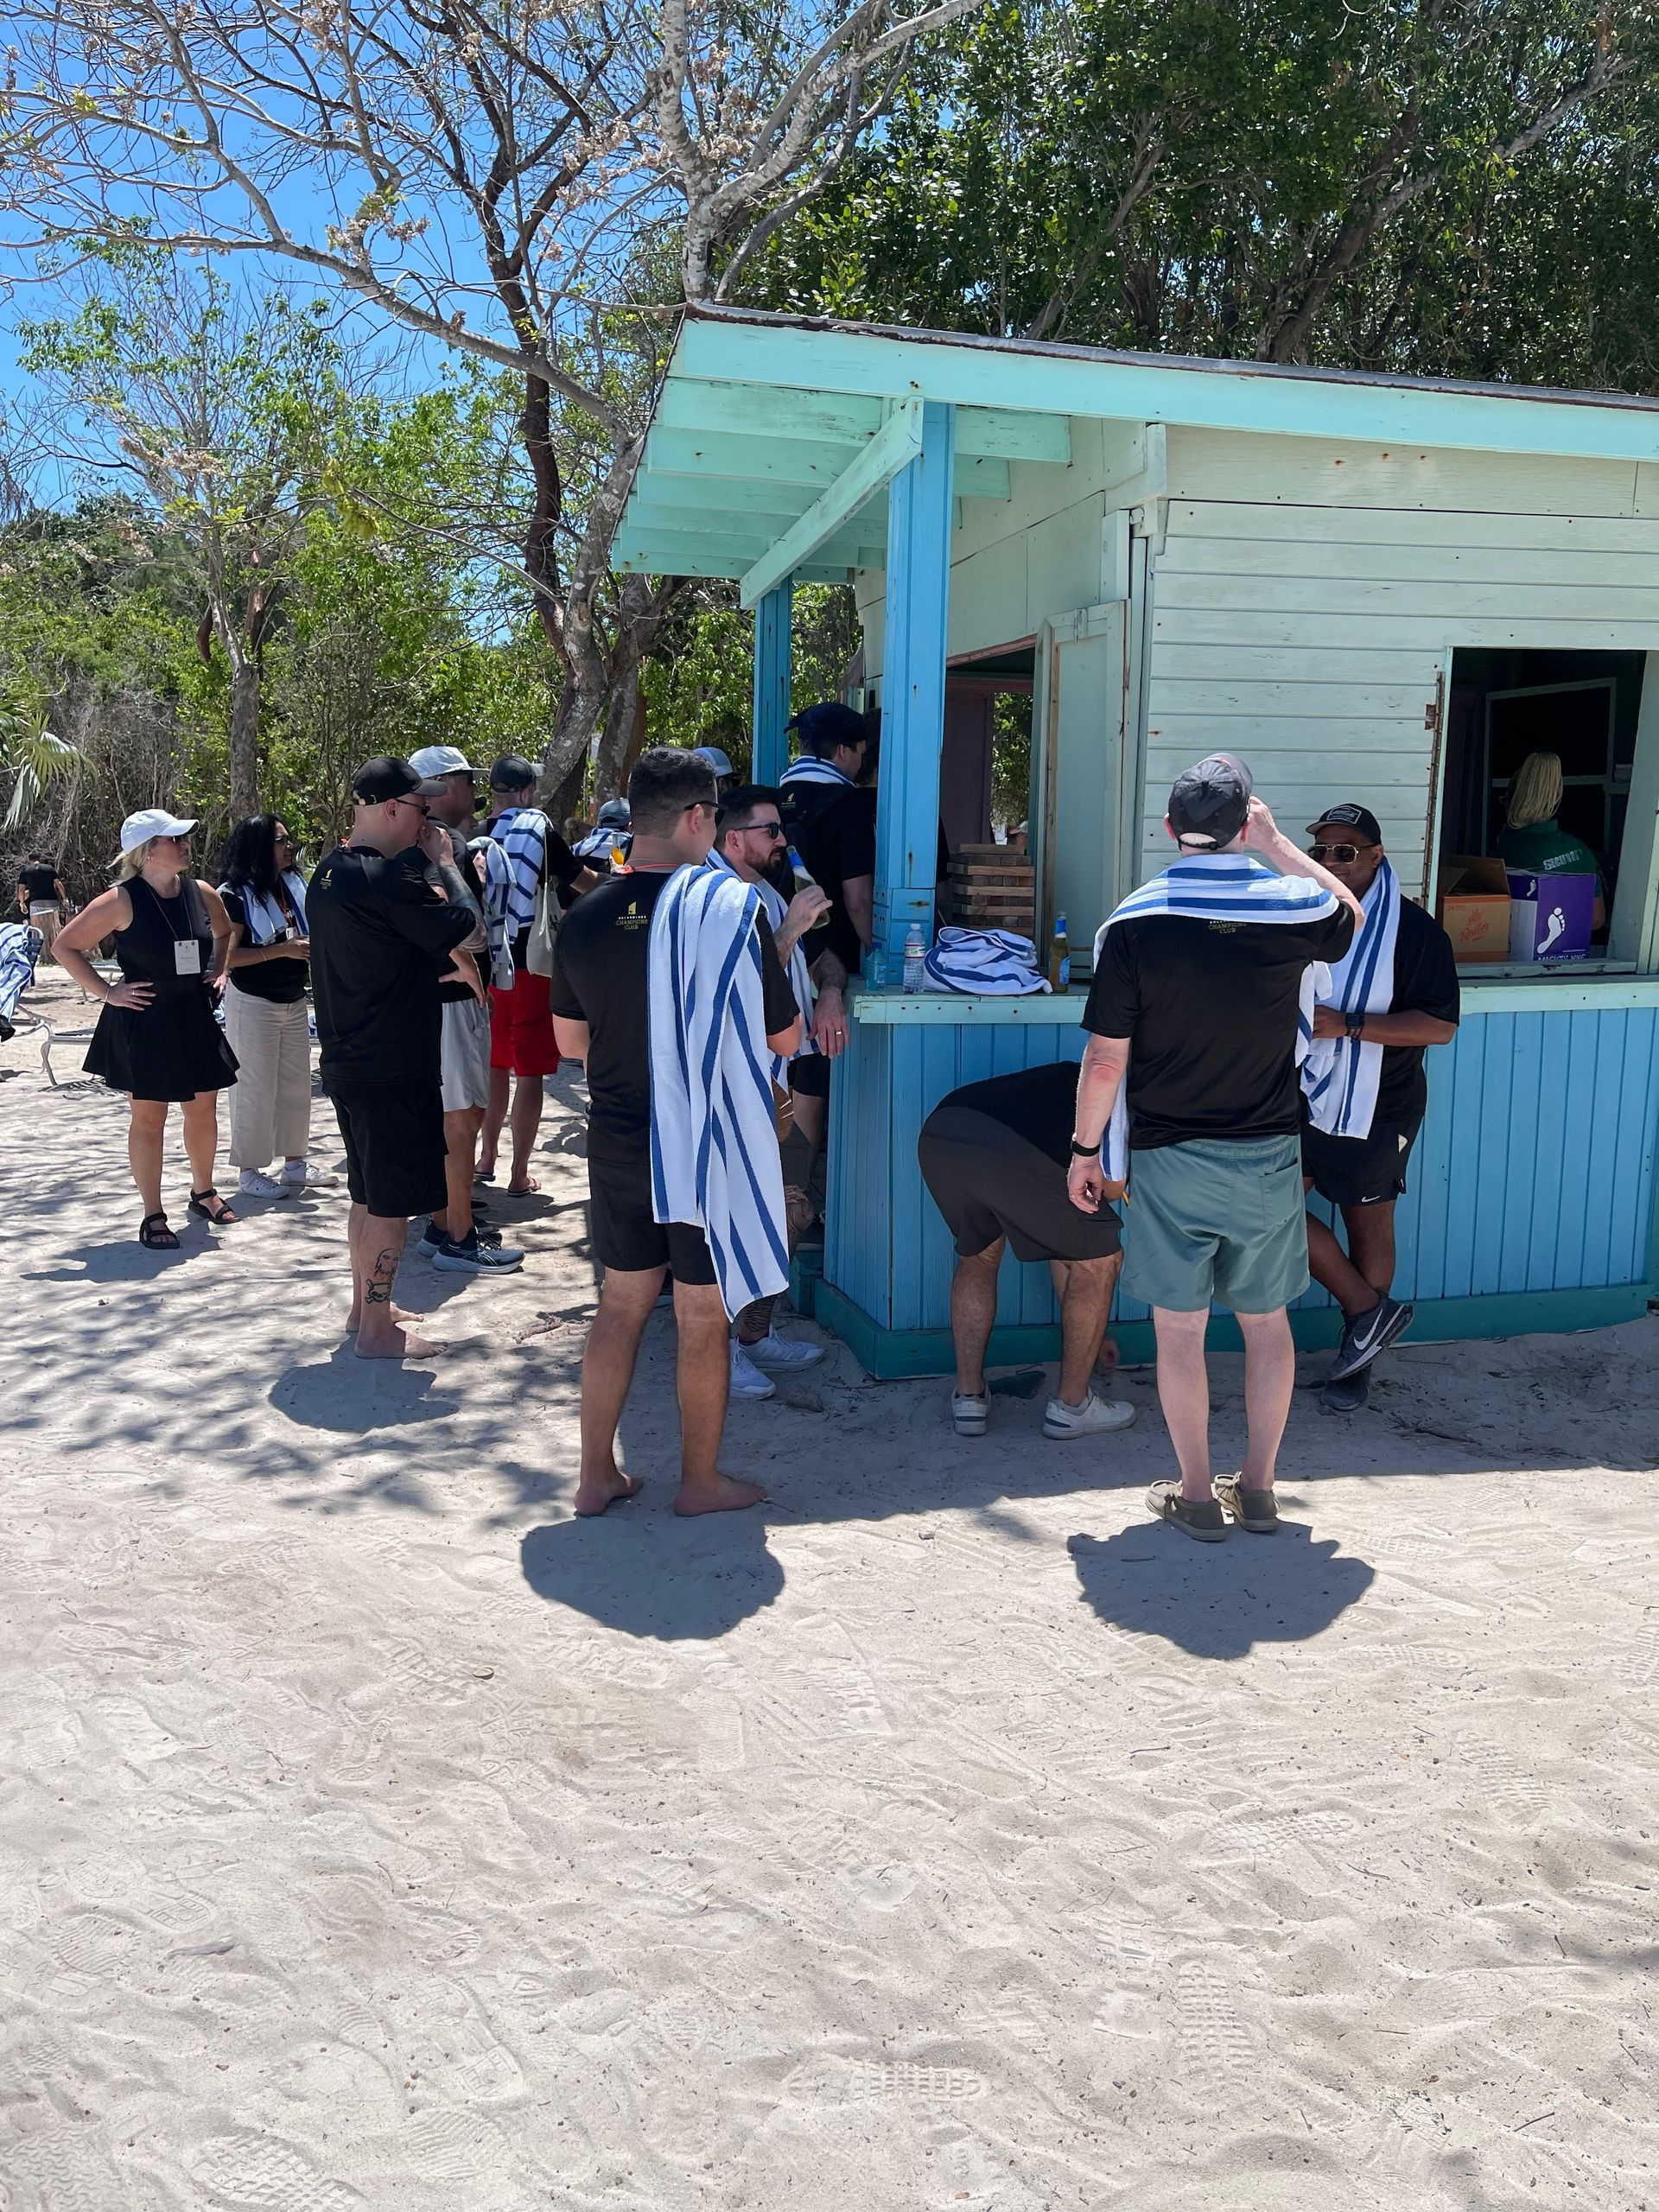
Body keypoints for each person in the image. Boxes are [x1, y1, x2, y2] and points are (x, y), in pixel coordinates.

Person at [1069, 756, 1363, 1541]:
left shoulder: (1134, 923)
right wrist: (1276, 846)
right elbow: (1350, 913)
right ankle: (1260, 1490)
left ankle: (1198, 1497)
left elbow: (1105, 1060)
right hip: (1268, 1154)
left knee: (1180, 1330)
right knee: (1268, 1327)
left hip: (1168, 1160)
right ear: (1243, 826)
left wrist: (1083, 1150)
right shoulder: (1290, 908)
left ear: (1169, 831)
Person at [550, 747, 802, 1518]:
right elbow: (785, 1041)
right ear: (697, 818)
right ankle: (700, 1482)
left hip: (622, 1137)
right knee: (701, 1314)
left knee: (620, 1306)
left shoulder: (587, 913)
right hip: (705, 1148)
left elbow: (568, 1044)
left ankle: (597, 1476)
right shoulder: (731, 911)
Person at [308, 758, 481, 1357]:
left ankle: (366, 1311)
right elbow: (465, 926)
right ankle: (378, 1333)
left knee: (365, 1193)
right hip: (391, 1066)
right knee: (389, 1207)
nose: (427, 820)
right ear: (390, 809)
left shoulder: (330, 872)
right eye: (419, 809)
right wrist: (448, 865)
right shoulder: (387, 879)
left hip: (352, 1060)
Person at [1297, 804, 1459, 1411]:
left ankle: (1356, 1359)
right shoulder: (1304, 916)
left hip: (1380, 1105)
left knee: (1369, 1224)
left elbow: (1440, 1027)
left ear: (1376, 856)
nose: (1331, 862)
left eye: (1345, 851)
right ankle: (1369, 1314)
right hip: (1301, 1093)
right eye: (1321, 852)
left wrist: (1349, 1026)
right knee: (1270, 1213)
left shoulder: (1415, 932)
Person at [710, 783, 847, 1395]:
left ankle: (754, 1334)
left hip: (777, 1081)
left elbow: (809, 964)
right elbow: (734, 991)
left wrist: (828, 988)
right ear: (732, 836)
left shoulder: (764, 889)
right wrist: (790, 928)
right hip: (734, 1088)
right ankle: (717, 1351)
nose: (783, 840)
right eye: (770, 831)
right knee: (729, 1220)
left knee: (787, 1207)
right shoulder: (715, 897)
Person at [53, 809, 240, 1249]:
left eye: (182, 837)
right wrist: (107, 992)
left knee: (203, 1110)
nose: (184, 843)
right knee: (149, 1118)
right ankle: (153, 1214)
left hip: (193, 1014)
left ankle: (204, 1191)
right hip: (146, 1019)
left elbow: (225, 931)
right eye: (173, 839)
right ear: (147, 850)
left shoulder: (202, 891)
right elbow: (64, 946)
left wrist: (220, 972)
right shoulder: (120, 899)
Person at [919, 1062, 1135, 1440]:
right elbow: (1111, 1193)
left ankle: (969, 1398)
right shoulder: (1119, 1101)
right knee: (1101, 1260)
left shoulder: (1069, 1081)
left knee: (979, 1255)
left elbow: (1064, 1245)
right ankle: (1072, 1406)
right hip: (1006, 1146)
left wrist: (1095, 1337)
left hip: (943, 1131)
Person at [405, 745, 524, 1275]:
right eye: (466, 780)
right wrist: (465, 964)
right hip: (451, 1002)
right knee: (460, 1118)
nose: (475, 791)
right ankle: (457, 1235)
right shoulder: (440, 844)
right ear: (442, 786)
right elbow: (451, 919)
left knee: (455, 1114)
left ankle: (444, 1221)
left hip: (439, 1000)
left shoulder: (422, 841)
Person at [479, 753, 597, 1191]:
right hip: (530, 965)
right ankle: (518, 1172)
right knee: (529, 1072)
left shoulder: (480, 833)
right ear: (527, 792)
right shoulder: (538, 829)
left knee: (494, 1067)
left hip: (489, 967)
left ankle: (486, 1158)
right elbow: (580, 880)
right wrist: (617, 883)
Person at [218, 812, 325, 1198]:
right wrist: (281, 950)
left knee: (296, 1086)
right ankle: (249, 1171)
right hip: (253, 1002)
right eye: (281, 841)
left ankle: (295, 1163)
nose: (289, 846)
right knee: (254, 1087)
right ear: (260, 848)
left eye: (288, 838)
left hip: (294, 999)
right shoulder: (233, 894)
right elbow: (228, 958)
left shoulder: (292, 885)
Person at [779, 701, 875, 979]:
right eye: (861, 753)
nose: (860, 763)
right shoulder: (850, 806)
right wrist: (880, 954)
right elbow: (858, 899)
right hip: (834, 961)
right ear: (844, 751)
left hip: (783, 950)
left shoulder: (775, 798)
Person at [1497, 751, 1606, 927]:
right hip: (1574, 949)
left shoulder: (1511, 849)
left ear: (1514, 799)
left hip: (1522, 950)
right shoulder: (1581, 850)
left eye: (1504, 799)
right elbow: (1597, 919)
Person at [16, 854, 67, 960]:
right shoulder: (49, 869)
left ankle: (39, 954)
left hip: (36, 902)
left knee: (37, 929)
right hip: (52, 901)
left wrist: (22, 903)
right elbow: (59, 884)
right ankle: (58, 954)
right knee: (55, 928)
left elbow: (21, 889)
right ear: (40, 859)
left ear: (29, 860)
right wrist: (64, 898)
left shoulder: (26, 870)